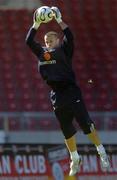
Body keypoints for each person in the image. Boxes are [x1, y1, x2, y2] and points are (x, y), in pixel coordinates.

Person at [25, 7, 110, 176]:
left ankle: (101, 151)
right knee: (66, 129)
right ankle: (75, 158)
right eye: (46, 40)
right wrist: (36, 23)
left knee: (86, 124)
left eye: (51, 39)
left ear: (58, 40)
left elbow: (69, 35)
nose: (48, 42)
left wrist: (58, 19)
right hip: (57, 95)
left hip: (71, 91)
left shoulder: (64, 49)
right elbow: (28, 41)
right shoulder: (42, 52)